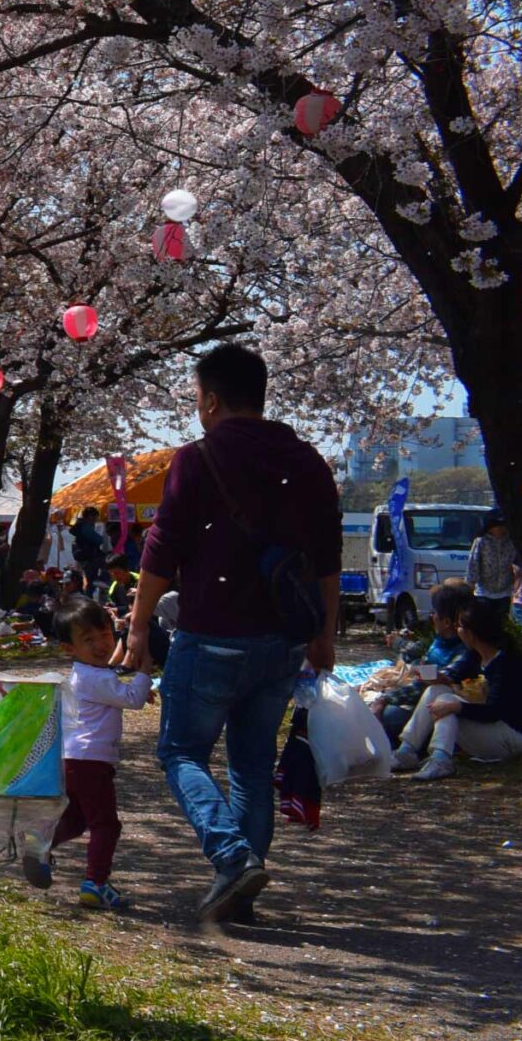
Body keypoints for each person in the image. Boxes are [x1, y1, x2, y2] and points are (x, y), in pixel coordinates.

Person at [116, 343, 340, 925]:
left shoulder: (198, 458)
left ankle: (232, 856)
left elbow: (161, 548)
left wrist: (138, 629)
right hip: (284, 640)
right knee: (250, 762)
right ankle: (241, 881)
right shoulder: (310, 461)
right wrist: (324, 634)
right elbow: (327, 558)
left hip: (212, 632)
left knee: (180, 751)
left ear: (211, 399)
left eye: (196, 398)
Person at [27, 597, 153, 911]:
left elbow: (118, 695)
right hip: (91, 762)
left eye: (105, 635)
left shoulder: (87, 675)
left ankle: (39, 842)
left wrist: (134, 687)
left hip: (74, 759)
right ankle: (95, 883)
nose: (100, 645)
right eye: (88, 640)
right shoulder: (97, 677)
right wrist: (145, 671)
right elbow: (132, 699)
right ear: (69, 649)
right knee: (105, 824)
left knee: (78, 818)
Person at [391, 599, 522, 778]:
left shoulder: (507, 664)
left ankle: (441, 759)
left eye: (460, 626)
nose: (457, 630)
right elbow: (452, 676)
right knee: (436, 691)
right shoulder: (475, 656)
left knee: (448, 702)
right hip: (489, 727)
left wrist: (457, 707)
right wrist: (436, 678)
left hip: (512, 736)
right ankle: (407, 750)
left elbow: (494, 711)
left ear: (471, 633)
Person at [377, 581, 475, 742]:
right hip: (420, 698)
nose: (431, 616)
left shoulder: (464, 653)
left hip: (435, 706)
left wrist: (385, 699)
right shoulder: (439, 639)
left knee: (390, 717)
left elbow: (429, 682)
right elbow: (416, 657)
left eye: (434, 612)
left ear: (447, 622)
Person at [467, 511, 518, 623]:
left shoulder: (510, 542)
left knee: (501, 623)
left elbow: (515, 562)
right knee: (485, 623)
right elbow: (473, 564)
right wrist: (469, 588)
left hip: (505, 592)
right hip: (484, 592)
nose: (501, 529)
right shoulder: (481, 541)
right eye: (497, 526)